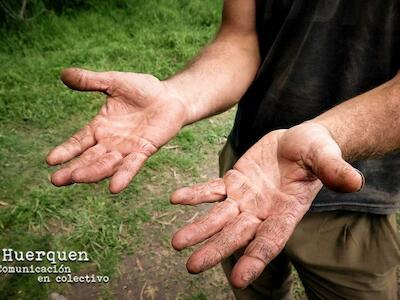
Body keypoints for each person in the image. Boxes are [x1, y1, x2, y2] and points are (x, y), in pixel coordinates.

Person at [47, 0, 400, 299]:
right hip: (246, 175)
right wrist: (180, 96)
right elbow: (239, 39)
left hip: (359, 195)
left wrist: (329, 134)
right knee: (250, 284)